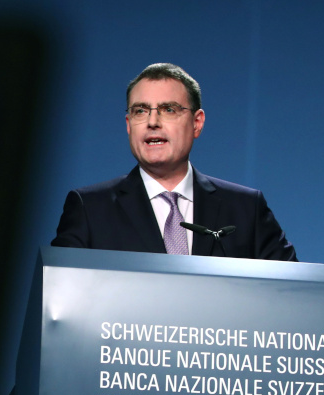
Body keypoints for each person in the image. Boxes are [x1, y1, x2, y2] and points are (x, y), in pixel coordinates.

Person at [51, 63, 297, 261]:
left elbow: (292, 293)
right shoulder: (90, 209)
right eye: (140, 111)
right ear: (128, 125)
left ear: (197, 123)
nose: (152, 122)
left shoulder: (246, 209)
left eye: (169, 110)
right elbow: (59, 294)